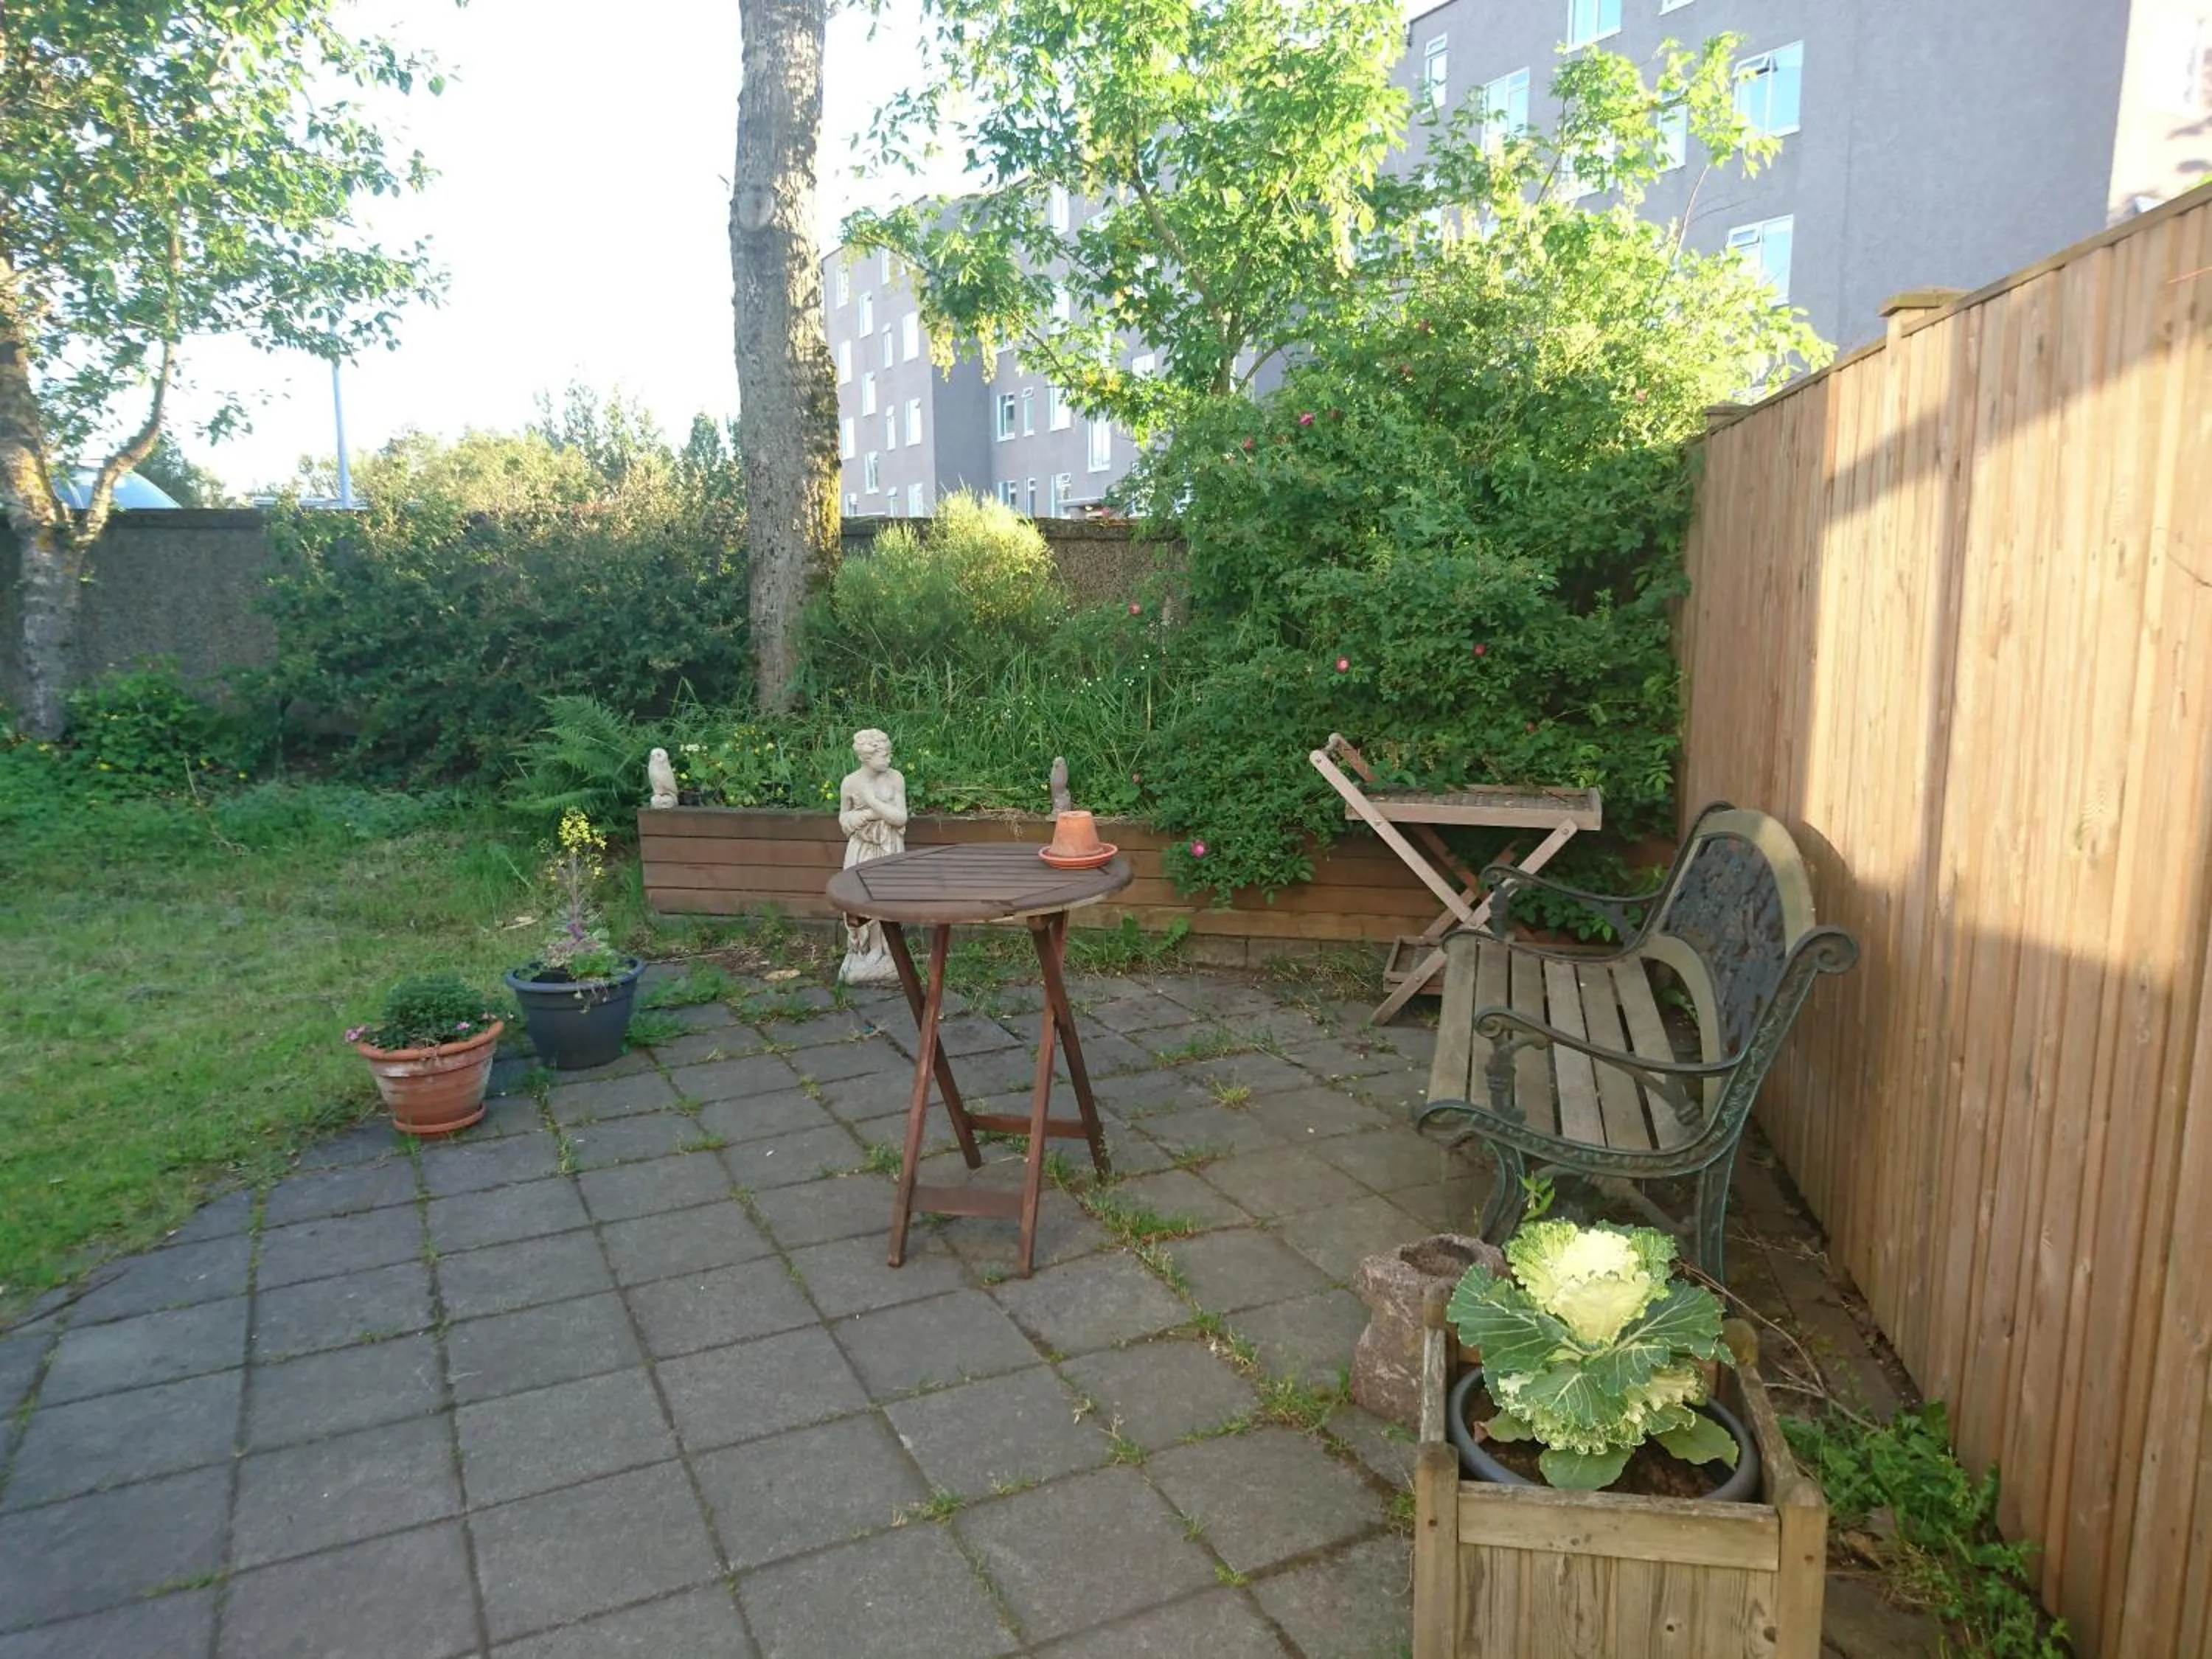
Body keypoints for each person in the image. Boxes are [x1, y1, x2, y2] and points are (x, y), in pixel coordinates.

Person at [837, 728, 908, 986]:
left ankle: (885, 951)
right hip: (862, 848)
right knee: (862, 899)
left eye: (889, 753)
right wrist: (866, 815)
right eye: (884, 755)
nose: (889, 759)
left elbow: (900, 817)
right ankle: (865, 951)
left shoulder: (895, 779)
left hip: (889, 845)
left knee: (886, 897)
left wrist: (871, 802)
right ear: (867, 757)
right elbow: (844, 819)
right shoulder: (850, 782)